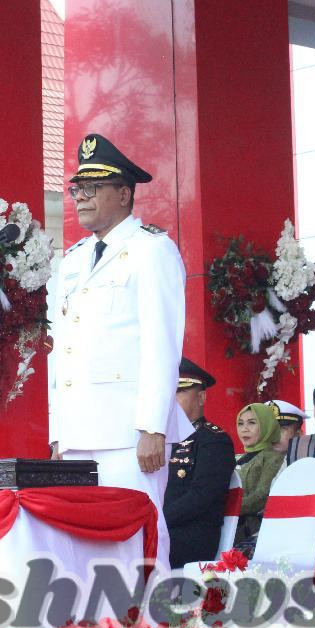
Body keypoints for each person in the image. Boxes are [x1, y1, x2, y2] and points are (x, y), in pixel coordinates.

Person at [49, 133, 188, 569]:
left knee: (138, 544)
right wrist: (58, 431)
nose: (80, 198)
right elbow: (61, 350)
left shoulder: (152, 250)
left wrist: (152, 426)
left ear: (124, 193)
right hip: (77, 434)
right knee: (83, 549)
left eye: (93, 188)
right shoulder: (71, 260)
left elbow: (162, 343)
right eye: (76, 189)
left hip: (128, 434)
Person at [164, 358, 237, 567]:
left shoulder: (213, 439)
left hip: (189, 537)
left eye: (179, 391)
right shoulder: (159, 440)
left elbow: (201, 497)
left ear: (201, 397)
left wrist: (157, 521)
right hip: (161, 531)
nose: (171, 398)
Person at [231, 402, 285, 550]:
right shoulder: (236, 458)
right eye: (240, 424)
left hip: (252, 532)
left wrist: (227, 507)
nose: (245, 429)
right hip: (229, 527)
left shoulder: (273, 458)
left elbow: (262, 496)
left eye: (252, 423)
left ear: (267, 425)